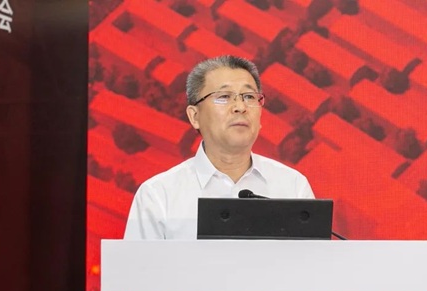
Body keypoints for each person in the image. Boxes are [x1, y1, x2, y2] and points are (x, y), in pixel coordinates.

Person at [124, 55, 314, 240]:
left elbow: (313, 260)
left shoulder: (292, 186)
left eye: (249, 96)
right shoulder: (158, 196)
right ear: (195, 116)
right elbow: (138, 263)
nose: (240, 107)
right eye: (224, 97)